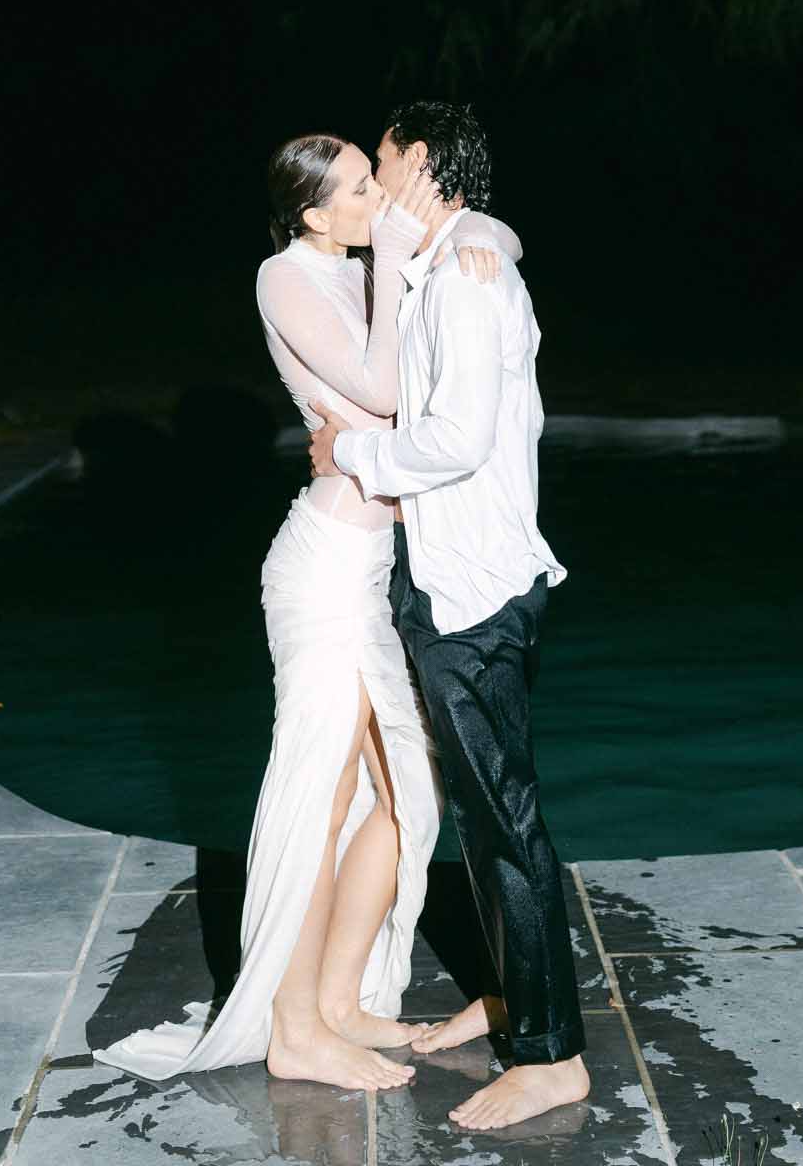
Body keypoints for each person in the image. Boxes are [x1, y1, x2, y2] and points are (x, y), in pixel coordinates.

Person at [95, 130, 523, 1093]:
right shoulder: (283, 275)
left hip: (373, 568)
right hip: (323, 567)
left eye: (377, 182)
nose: (381, 199)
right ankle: (293, 1027)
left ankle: (335, 1000)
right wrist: (397, 267)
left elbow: (470, 235)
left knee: (406, 787)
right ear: (311, 214)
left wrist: (475, 242)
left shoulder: (370, 259)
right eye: (362, 190)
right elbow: (377, 391)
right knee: (319, 794)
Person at [308, 100, 589, 1133]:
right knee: (480, 810)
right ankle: (516, 997)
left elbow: (457, 439)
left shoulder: (473, 282)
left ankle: (553, 1054)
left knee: (505, 814)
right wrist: (471, 230)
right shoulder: (451, 258)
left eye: (384, 162)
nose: (375, 181)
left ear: (422, 162)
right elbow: (471, 241)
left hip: (475, 588)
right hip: (450, 579)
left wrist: (352, 455)